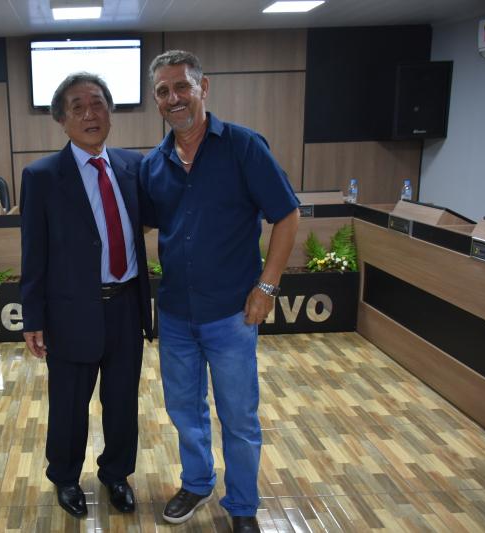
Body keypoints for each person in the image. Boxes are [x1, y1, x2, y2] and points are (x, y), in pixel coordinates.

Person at [139, 50, 300, 533]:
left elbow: (287, 215)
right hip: (175, 314)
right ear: (156, 100)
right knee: (184, 410)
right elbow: (141, 226)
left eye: (181, 87)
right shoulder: (153, 164)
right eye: (163, 91)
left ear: (203, 88)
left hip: (232, 313)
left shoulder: (244, 147)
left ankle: (243, 505)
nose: (173, 98)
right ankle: (197, 482)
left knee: (238, 417)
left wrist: (267, 286)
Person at [19, 73, 152, 518]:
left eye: (98, 104)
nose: (90, 114)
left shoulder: (133, 166)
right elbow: (33, 252)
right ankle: (65, 477)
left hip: (126, 306)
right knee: (69, 405)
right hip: (70, 312)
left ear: (110, 112)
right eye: (78, 107)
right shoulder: (41, 176)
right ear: (61, 119)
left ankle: (116, 474)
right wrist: (32, 317)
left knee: (122, 402)